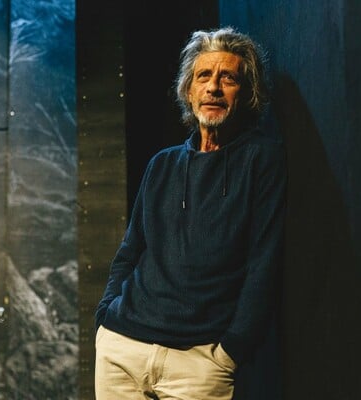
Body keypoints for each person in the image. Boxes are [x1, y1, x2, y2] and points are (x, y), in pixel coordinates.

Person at [94, 26, 287, 400]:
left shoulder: (261, 159)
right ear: (189, 90)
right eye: (204, 76)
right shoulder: (162, 164)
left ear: (246, 93)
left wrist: (232, 351)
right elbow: (130, 250)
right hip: (123, 346)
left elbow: (264, 262)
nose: (214, 87)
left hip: (199, 363)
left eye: (228, 78)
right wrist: (106, 317)